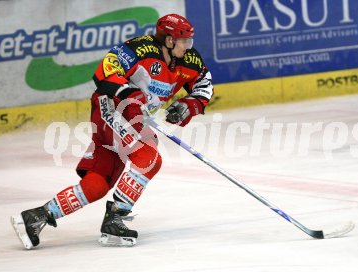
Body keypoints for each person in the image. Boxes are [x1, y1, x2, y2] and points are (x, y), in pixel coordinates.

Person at [11, 13, 214, 249]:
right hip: (110, 108)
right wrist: (131, 94)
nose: (188, 46)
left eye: (189, 41)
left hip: (134, 119)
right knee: (148, 159)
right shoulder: (138, 49)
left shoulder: (190, 60)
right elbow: (104, 72)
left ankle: (38, 216)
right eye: (184, 41)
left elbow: (203, 85)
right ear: (169, 40)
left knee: (98, 184)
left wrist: (190, 105)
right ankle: (115, 218)